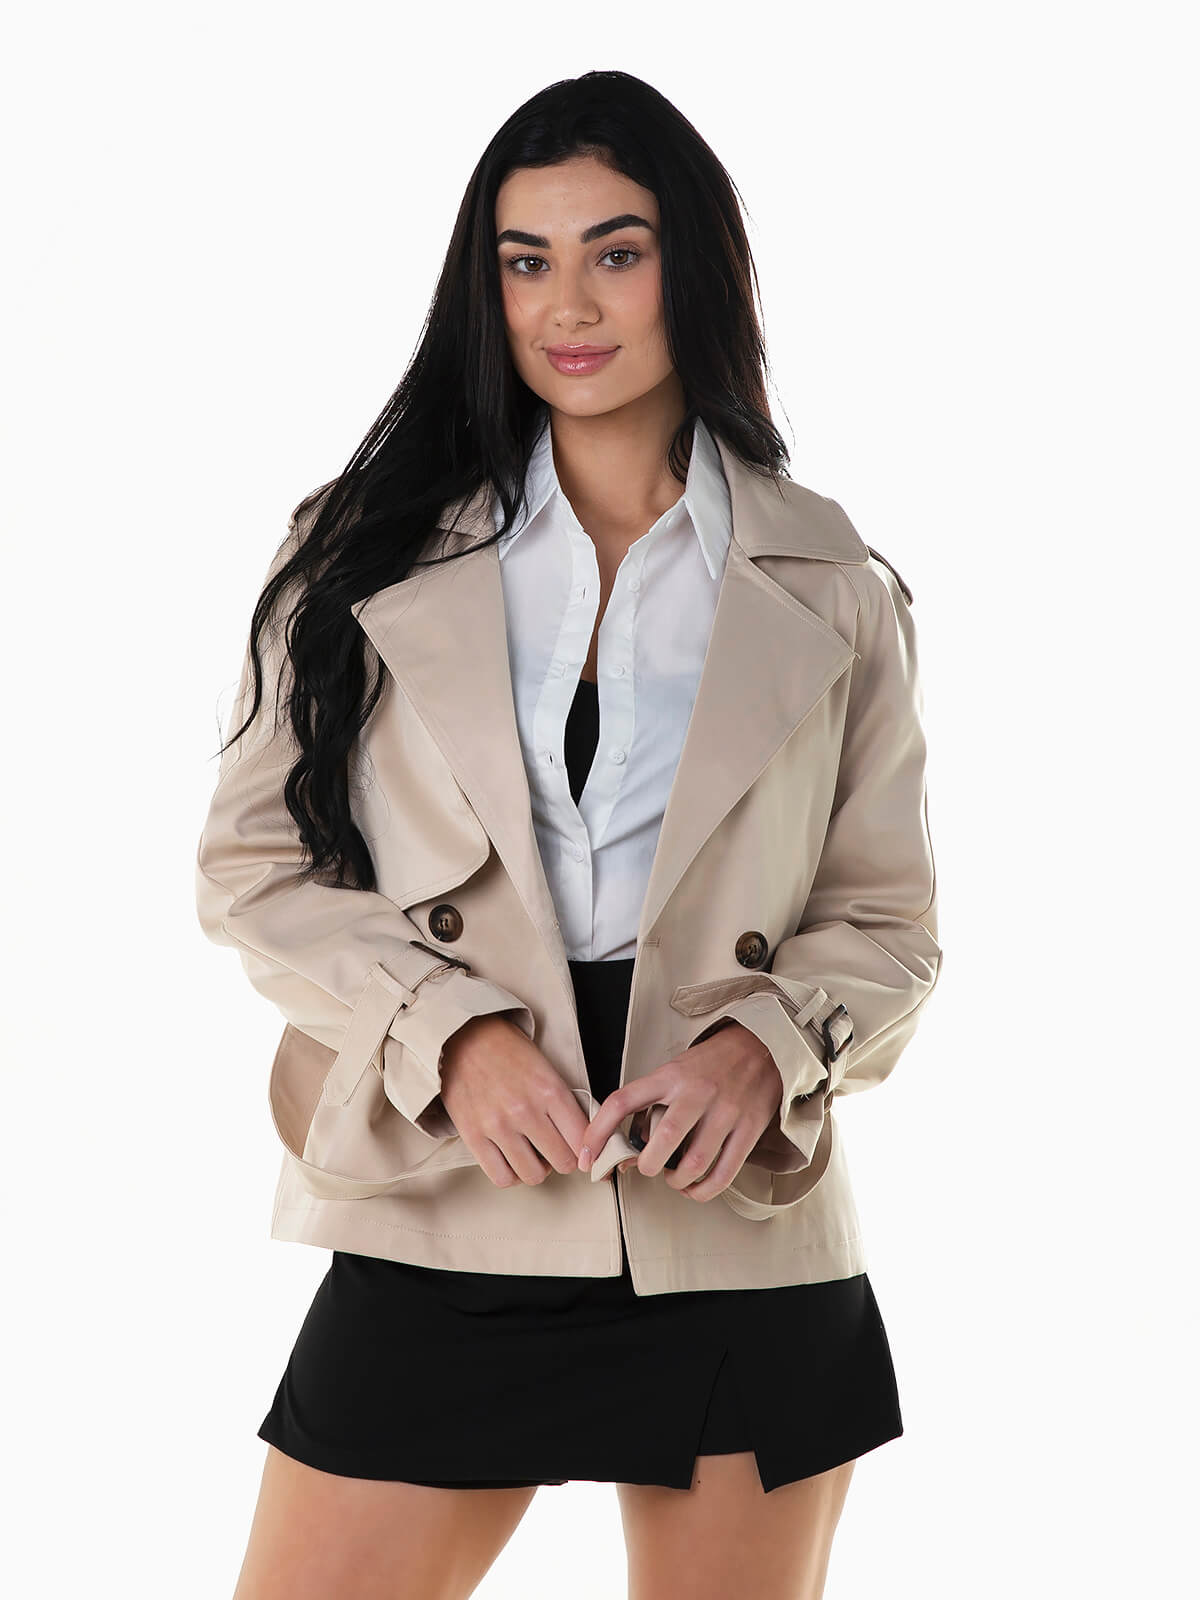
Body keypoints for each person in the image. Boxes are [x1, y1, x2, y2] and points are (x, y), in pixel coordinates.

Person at [195, 69, 942, 1600]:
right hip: (450, 1183)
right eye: (525, 261)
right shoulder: (357, 549)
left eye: (618, 252)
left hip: (731, 1210)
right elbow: (252, 872)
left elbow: (888, 921)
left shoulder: (834, 581)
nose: (568, 305)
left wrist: (766, 1053)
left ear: (698, 269)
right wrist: (449, 1034)